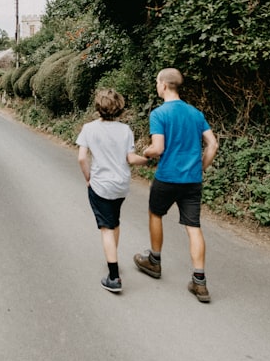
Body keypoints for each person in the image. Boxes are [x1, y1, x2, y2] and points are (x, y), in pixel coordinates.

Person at [134, 68, 219, 302]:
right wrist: (201, 166)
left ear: (163, 85)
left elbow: (158, 148)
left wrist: (147, 151)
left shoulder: (159, 114)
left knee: (155, 214)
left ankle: (154, 260)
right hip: (192, 180)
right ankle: (199, 281)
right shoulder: (195, 113)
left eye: (156, 82)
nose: (156, 86)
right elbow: (212, 144)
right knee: (193, 227)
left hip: (167, 177)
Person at [76, 88, 149, 293]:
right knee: (114, 221)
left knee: (106, 228)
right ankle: (113, 257)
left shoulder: (89, 128)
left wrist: (88, 178)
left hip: (101, 185)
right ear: (119, 107)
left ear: (98, 107)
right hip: (122, 185)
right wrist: (149, 160)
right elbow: (131, 159)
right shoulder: (125, 130)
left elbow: (82, 157)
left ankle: (114, 276)